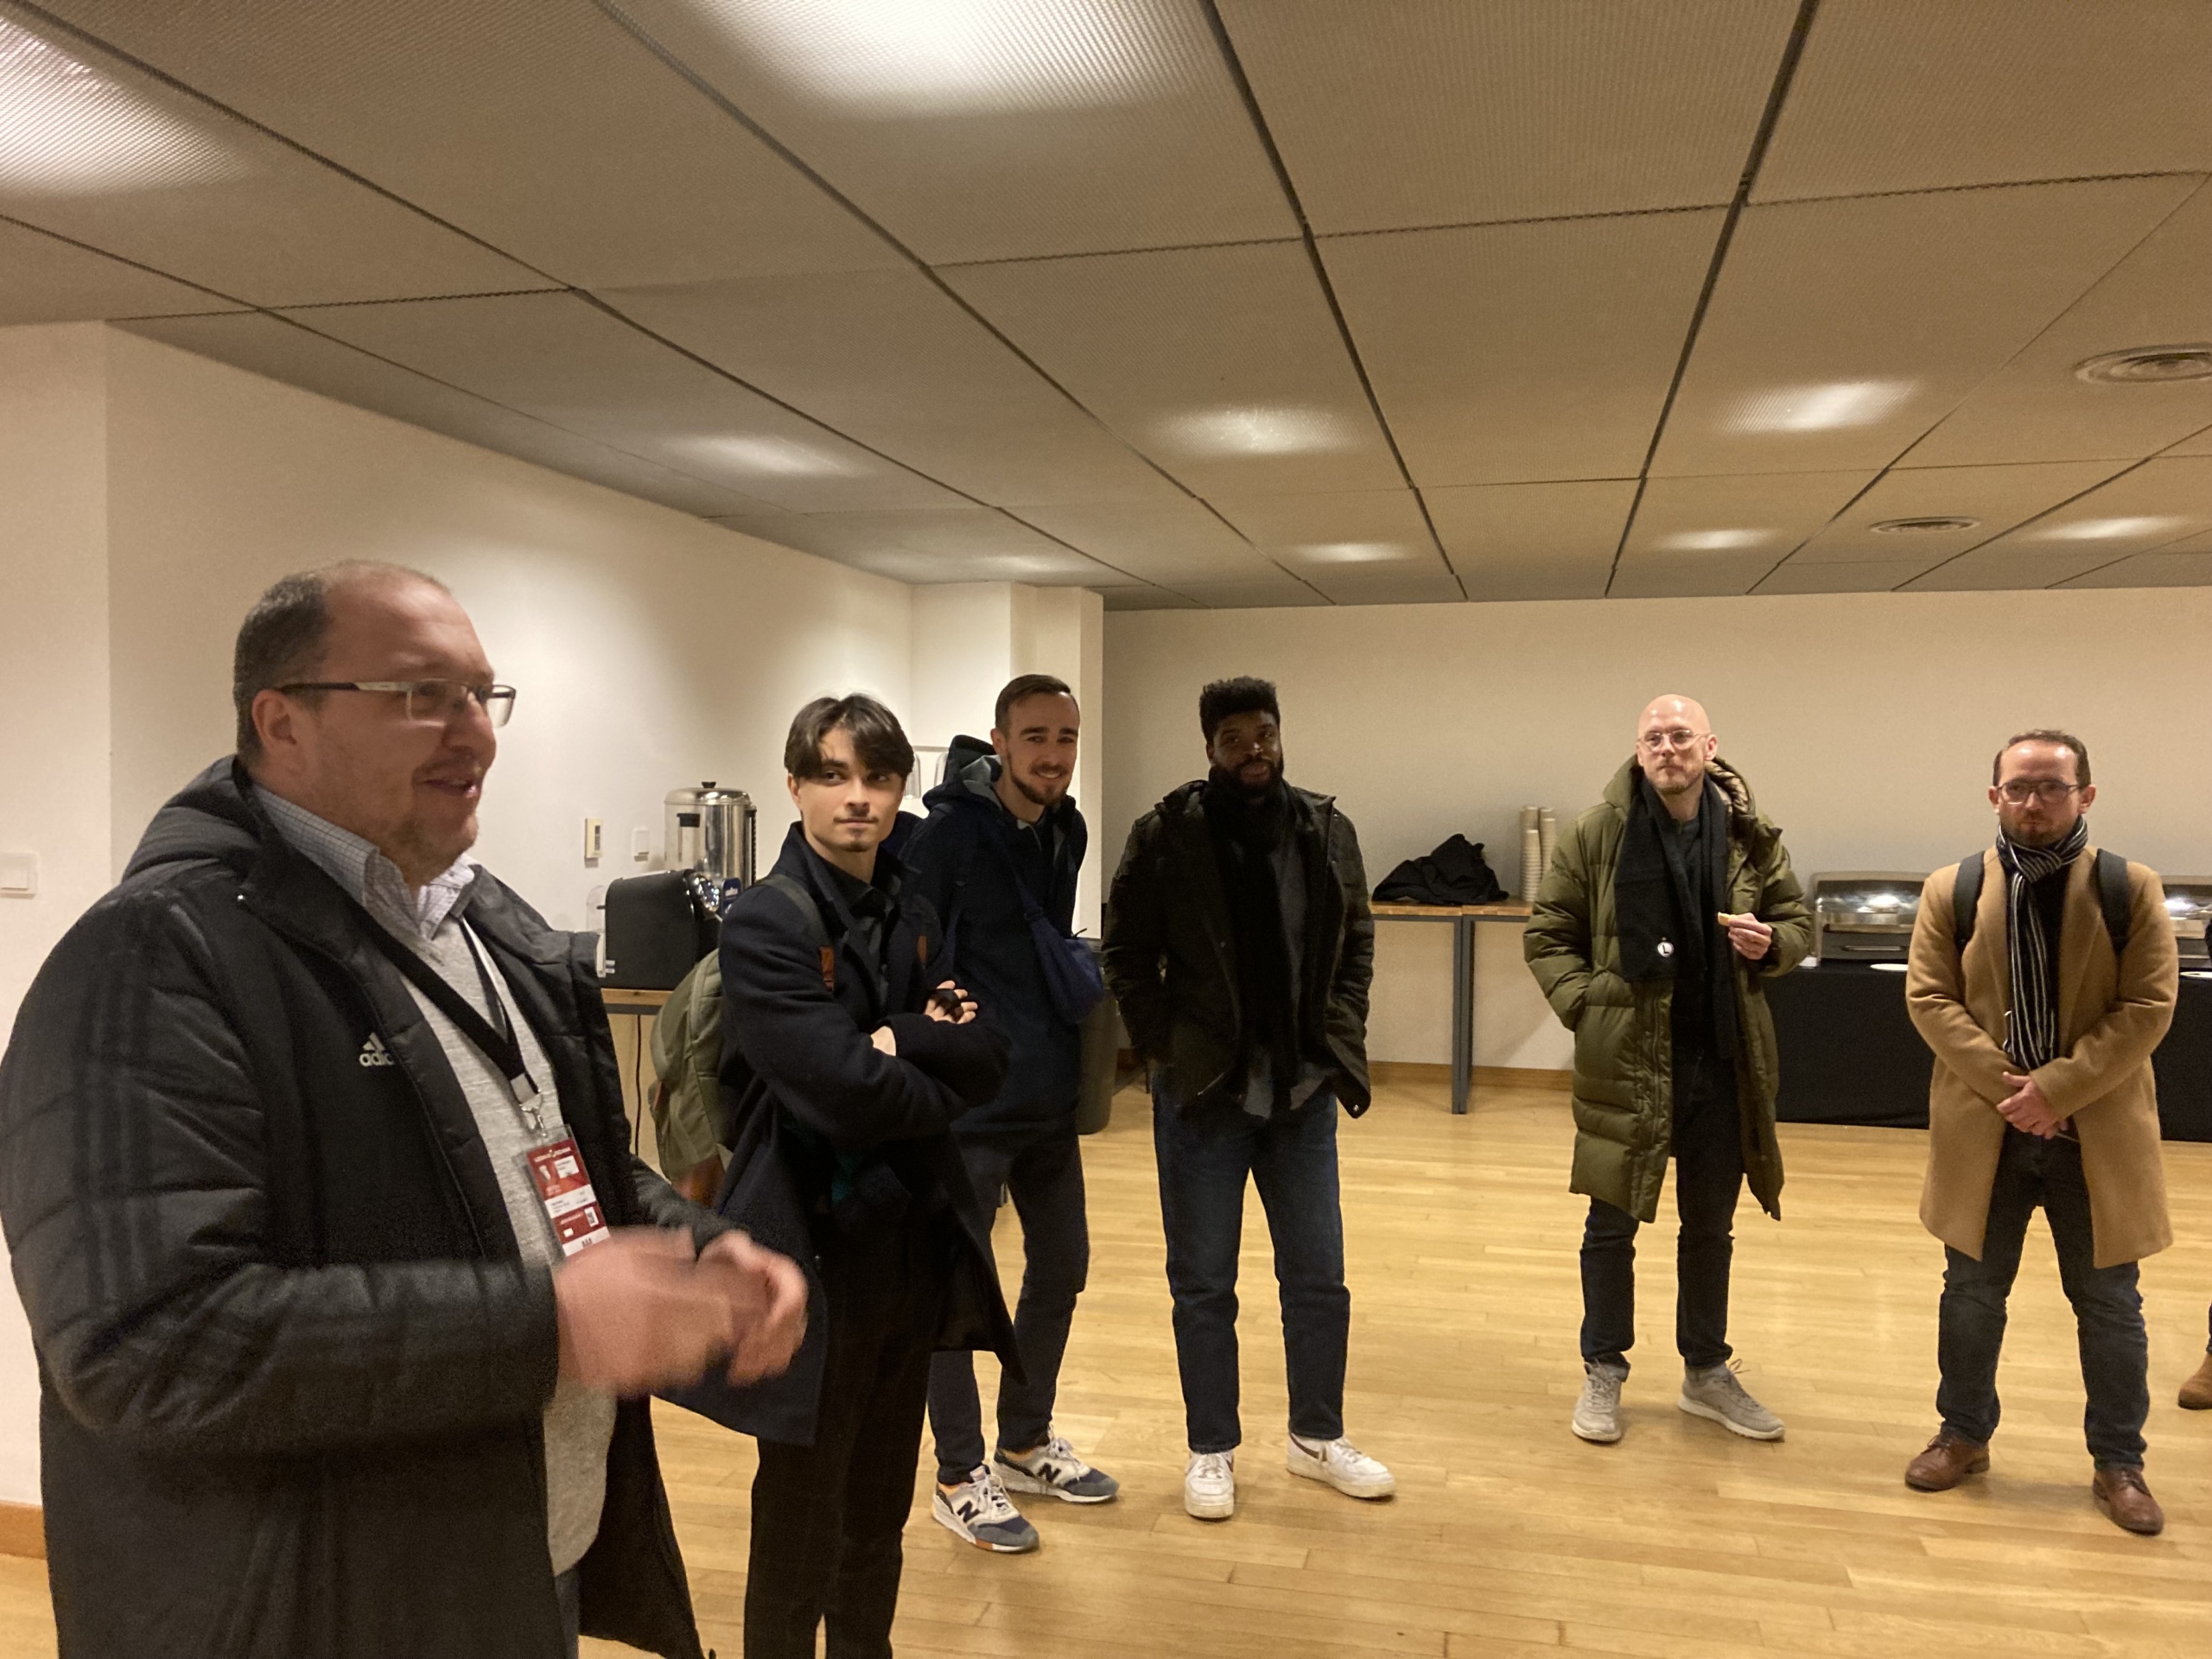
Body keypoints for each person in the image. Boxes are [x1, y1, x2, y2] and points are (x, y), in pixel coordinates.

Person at [0, 562, 808, 1659]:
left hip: (511, 1570)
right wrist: (554, 1324)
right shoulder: (153, 962)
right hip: (302, 1614)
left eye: (482, 694)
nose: (473, 734)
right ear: (280, 721)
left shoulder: (481, 927)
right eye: (421, 695)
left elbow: (553, 1158)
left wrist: (693, 1249)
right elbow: (150, 1344)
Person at [707, 693, 1016, 1656]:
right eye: (834, 775)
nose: (858, 799)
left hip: (908, 1253)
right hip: (812, 1260)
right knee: (800, 1520)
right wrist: (924, 1067)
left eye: (878, 778)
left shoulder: (911, 909)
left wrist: (900, 1039)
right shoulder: (765, 923)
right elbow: (843, 1094)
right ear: (794, 785)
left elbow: (989, 1055)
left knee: (877, 1515)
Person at [1103, 675, 1389, 1522]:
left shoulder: (1325, 829)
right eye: (1234, 739)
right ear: (1210, 750)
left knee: (1319, 1279)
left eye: (1263, 733)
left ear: (1280, 735)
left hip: (1301, 1092)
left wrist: (1338, 1029)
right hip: (1205, 1097)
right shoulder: (1166, 834)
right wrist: (1163, 1047)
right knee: (1203, 1285)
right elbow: (1125, 952)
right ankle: (1210, 1448)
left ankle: (1316, 1436)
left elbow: (1356, 940)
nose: (1252, 750)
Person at [1901, 730, 2177, 1535]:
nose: (2033, 802)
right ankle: (1963, 1435)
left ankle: (2119, 1462)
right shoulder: (1952, 889)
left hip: (2096, 1134)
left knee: (2109, 1304)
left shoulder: (2129, 888)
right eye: (2018, 787)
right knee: (1971, 1295)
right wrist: (2015, 1094)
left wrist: (2055, 1090)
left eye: (2052, 786)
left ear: (2085, 794)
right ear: (1994, 796)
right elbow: (1930, 1000)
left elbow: (2149, 1007)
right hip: (1985, 1132)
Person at [1525, 695, 1810, 1448]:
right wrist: (1587, 1006)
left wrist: (1773, 944)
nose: (1667, 748)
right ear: (1638, 749)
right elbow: (1548, 932)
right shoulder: (1598, 833)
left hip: (1723, 1060)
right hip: (1626, 1059)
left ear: (1709, 747)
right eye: (1653, 737)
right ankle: (1603, 1368)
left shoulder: (1748, 834)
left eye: (1681, 735)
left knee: (1710, 1228)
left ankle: (1705, 1371)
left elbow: (1797, 921)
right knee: (1610, 1226)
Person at [906, 674, 1118, 1553]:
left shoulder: (1065, 828)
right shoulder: (948, 835)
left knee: (1062, 1265)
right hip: (969, 1106)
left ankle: (1025, 1440)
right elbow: (917, 956)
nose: (1052, 755)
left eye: (1065, 737)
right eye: (1035, 737)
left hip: (1045, 1098)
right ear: (999, 741)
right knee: (957, 1290)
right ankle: (958, 1475)